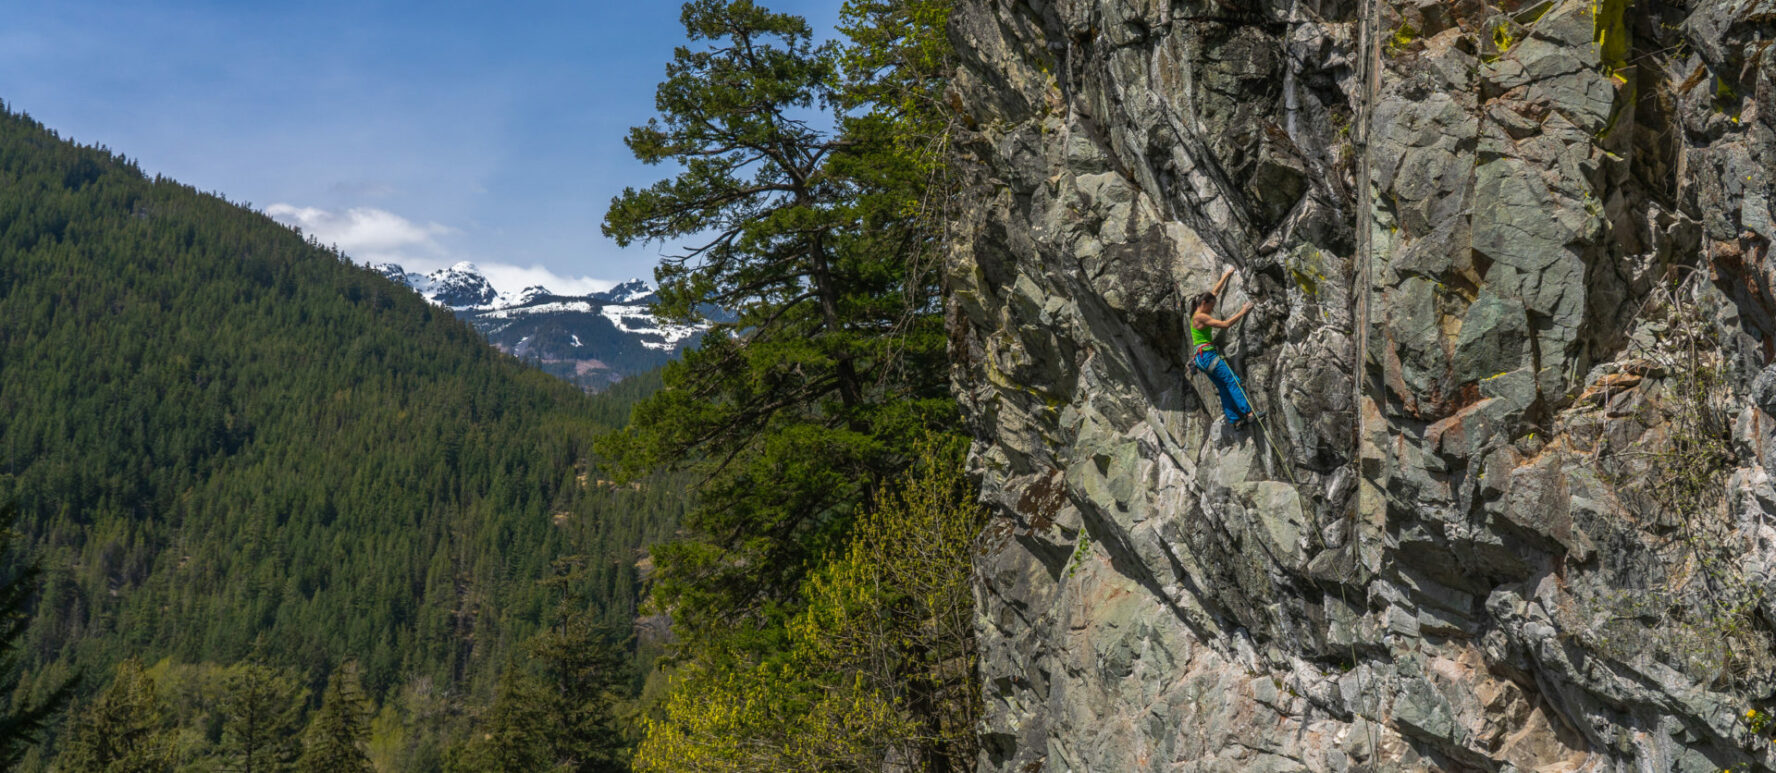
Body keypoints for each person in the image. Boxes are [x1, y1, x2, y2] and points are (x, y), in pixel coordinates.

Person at [1190, 267, 1263, 428]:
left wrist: (1227, 275)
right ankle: (1249, 413)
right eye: (1211, 307)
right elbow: (1225, 324)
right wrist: (1243, 311)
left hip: (1200, 359)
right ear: (1204, 304)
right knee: (1232, 380)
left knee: (1223, 387)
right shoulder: (1201, 317)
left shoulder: (1198, 308)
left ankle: (1235, 421)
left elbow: (1214, 292)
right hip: (1207, 356)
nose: (1212, 309)